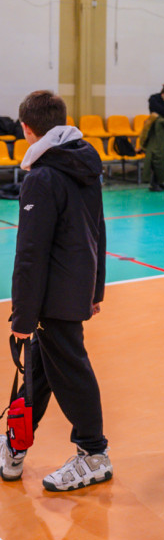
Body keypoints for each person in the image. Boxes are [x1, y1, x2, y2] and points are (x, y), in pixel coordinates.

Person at [0, 91, 111, 492]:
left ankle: (93, 452)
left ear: (27, 129)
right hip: (74, 288)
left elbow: (30, 255)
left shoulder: (42, 176)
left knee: (70, 371)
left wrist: (22, 317)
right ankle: (15, 442)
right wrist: (95, 289)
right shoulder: (84, 163)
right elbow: (99, 228)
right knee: (40, 372)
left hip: (54, 296)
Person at [139, 112, 164, 191]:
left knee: (155, 166)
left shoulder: (150, 121)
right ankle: (155, 184)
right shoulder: (163, 121)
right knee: (160, 166)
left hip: (152, 147)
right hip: (160, 147)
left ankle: (157, 183)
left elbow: (144, 136)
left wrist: (143, 146)